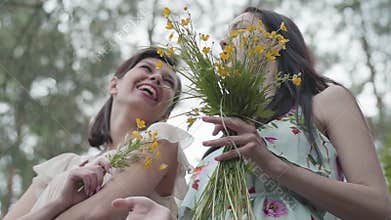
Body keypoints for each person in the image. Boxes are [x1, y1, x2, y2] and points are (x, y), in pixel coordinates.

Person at [176, 7, 390, 220]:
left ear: (277, 42)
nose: (223, 43)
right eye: (223, 37)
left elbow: (378, 208)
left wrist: (273, 165)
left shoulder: (326, 102)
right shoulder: (226, 136)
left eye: (239, 29)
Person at [4, 47, 193, 220]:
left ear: (166, 114)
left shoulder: (164, 142)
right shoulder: (61, 166)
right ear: (114, 85)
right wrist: (57, 204)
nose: (156, 78)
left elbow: (96, 215)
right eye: (147, 68)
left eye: (168, 81)